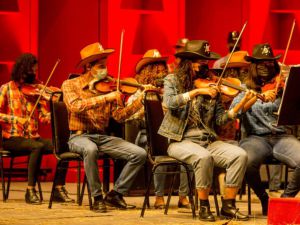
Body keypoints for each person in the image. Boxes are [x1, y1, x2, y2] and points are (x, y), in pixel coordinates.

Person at [158, 40, 251, 221]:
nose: (204, 65)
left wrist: (235, 109)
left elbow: (219, 119)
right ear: (188, 62)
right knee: (203, 157)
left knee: (239, 155)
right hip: (180, 141)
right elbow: (169, 103)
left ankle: (228, 205)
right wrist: (195, 92)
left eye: (205, 62)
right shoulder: (172, 80)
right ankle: (203, 206)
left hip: (207, 140)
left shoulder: (211, 86)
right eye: (199, 61)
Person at [62, 42, 154, 213]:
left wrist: (141, 97)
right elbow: (75, 106)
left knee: (139, 154)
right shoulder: (70, 85)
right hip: (79, 136)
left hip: (102, 137)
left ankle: (115, 194)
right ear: (89, 66)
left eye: (106, 65)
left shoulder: (109, 87)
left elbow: (120, 117)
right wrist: (107, 97)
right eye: (101, 66)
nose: (105, 71)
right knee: (90, 150)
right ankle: (97, 198)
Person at [230, 43, 300, 215]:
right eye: (260, 63)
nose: (265, 67)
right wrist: (252, 99)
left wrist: (290, 91)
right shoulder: (244, 87)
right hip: (255, 138)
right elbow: (234, 113)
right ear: (253, 65)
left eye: (269, 63)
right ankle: (264, 199)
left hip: (282, 137)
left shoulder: (282, 86)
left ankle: (285, 200)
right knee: (245, 161)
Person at [0, 53, 73, 204]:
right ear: (23, 70)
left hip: (33, 137)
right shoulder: (6, 89)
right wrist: (16, 119)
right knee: (37, 147)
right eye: (32, 70)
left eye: (35, 70)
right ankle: (30, 190)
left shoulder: (35, 92)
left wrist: (52, 114)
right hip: (12, 138)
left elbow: (43, 116)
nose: (34, 73)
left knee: (64, 145)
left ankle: (59, 188)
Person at [126, 49, 190, 209]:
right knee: (161, 153)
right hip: (147, 136)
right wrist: (146, 105)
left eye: (162, 68)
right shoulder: (139, 92)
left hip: (171, 134)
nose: (160, 72)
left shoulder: (170, 89)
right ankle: (159, 196)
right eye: (155, 69)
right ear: (146, 72)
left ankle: (183, 195)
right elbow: (129, 118)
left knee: (188, 153)